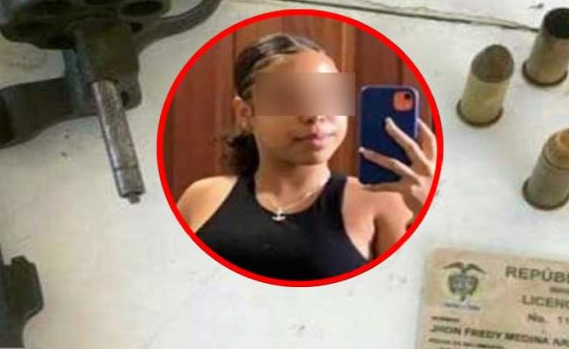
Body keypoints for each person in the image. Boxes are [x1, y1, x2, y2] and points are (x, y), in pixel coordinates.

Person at [176, 33, 436, 281]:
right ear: (246, 114)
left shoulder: (384, 202)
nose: (315, 114)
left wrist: (428, 213)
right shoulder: (202, 198)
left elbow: (413, 294)